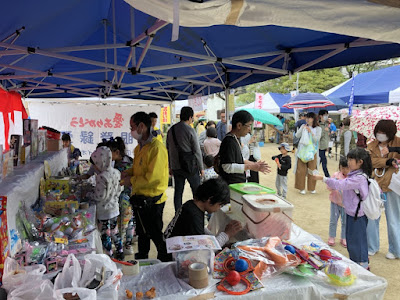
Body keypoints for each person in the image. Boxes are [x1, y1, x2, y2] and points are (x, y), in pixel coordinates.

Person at [121, 112, 169, 261]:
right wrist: (125, 173)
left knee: (154, 233)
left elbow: (152, 178)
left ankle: (165, 259)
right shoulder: (139, 148)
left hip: (153, 200)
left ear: (142, 126)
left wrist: (132, 180)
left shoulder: (156, 148)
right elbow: (137, 169)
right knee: (142, 232)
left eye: (132, 127)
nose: (131, 131)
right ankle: (142, 259)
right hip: (140, 198)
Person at [314, 148, 371, 269]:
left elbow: (341, 184)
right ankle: (357, 262)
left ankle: (362, 264)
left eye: (351, 159)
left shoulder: (359, 178)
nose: (349, 162)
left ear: (360, 162)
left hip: (357, 214)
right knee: (352, 239)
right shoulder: (355, 175)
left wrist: (323, 178)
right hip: (352, 212)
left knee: (357, 240)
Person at [164, 178, 242, 247]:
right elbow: (203, 250)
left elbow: (200, 229)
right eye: (220, 205)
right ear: (210, 200)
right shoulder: (193, 217)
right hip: (170, 257)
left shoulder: (191, 205)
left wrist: (217, 239)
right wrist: (226, 234)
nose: (219, 209)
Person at [367, 120, 400, 259]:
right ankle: (372, 246)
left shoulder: (397, 142)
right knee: (372, 216)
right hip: (376, 184)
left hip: (392, 185)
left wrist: (391, 153)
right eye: (378, 132)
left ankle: (395, 249)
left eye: (383, 133)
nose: (380, 135)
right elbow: (370, 161)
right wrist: (387, 162)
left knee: (393, 218)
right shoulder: (371, 145)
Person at [86, 146, 124, 260]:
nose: (94, 167)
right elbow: (119, 189)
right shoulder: (116, 172)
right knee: (115, 232)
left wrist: (89, 194)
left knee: (105, 234)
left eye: (95, 164)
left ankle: (109, 256)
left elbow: (100, 196)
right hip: (114, 208)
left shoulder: (101, 177)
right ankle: (120, 252)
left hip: (104, 212)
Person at [167, 106, 204, 212]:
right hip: (190, 166)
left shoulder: (171, 130)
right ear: (190, 117)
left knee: (178, 192)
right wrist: (201, 168)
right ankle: (198, 212)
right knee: (196, 192)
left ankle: (178, 214)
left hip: (176, 167)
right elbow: (196, 151)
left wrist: (170, 166)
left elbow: (168, 149)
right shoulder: (190, 130)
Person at [218, 110, 270, 184]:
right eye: (248, 126)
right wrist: (250, 166)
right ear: (239, 125)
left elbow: (239, 159)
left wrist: (254, 165)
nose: (249, 129)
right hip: (231, 184)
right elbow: (227, 167)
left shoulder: (236, 138)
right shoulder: (229, 141)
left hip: (238, 183)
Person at [107, 137, 136, 255]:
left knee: (123, 222)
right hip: (132, 194)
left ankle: (122, 247)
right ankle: (128, 244)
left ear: (116, 152)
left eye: (109, 153)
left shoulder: (120, 165)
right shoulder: (128, 159)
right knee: (130, 220)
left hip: (124, 197)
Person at [294, 112, 321, 195]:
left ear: (313, 119)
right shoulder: (303, 126)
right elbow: (297, 136)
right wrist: (302, 128)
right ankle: (301, 188)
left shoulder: (318, 128)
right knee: (300, 170)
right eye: (307, 118)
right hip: (302, 151)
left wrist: (311, 132)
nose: (307, 119)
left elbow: (317, 139)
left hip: (313, 152)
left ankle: (312, 188)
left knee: (312, 170)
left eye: (309, 118)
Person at [326, 157, 349, 248]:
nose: (344, 170)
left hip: (346, 204)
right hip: (335, 201)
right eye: (342, 168)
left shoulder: (351, 177)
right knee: (333, 220)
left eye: (346, 168)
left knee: (345, 222)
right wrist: (333, 186)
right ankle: (331, 236)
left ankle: (344, 237)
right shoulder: (336, 175)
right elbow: (329, 186)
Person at [318, 110, 330, 177]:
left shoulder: (326, 124)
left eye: (327, 115)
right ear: (321, 116)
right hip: (320, 146)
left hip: (324, 146)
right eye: (325, 115)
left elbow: (326, 136)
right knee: (324, 162)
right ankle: (327, 176)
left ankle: (312, 172)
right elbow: (319, 136)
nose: (326, 116)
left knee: (319, 161)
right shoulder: (319, 125)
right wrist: (324, 130)